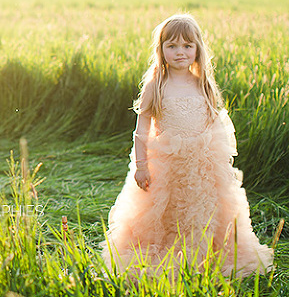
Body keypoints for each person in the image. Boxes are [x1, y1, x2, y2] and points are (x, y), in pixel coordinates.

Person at [101, 14, 273, 277]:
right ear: (161, 50)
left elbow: (214, 124)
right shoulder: (156, 86)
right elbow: (141, 132)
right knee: (167, 213)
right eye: (171, 46)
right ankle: (172, 254)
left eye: (186, 46)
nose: (180, 52)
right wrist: (142, 166)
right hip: (166, 166)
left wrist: (220, 162)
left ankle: (204, 256)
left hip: (202, 164)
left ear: (197, 49)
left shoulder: (202, 83)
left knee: (203, 212)